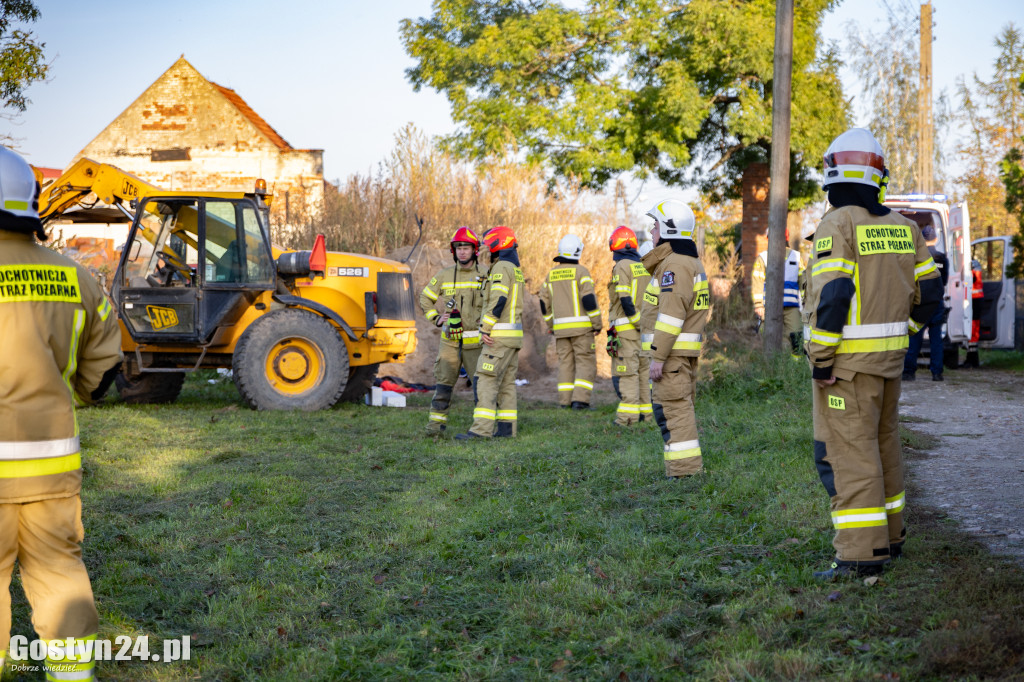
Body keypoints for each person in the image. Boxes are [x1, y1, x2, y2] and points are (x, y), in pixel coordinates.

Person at [0, 147, 122, 680]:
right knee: (59, 578)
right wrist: (77, 393)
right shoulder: (77, 278)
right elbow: (103, 369)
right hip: (52, 469)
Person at [805, 128, 943, 580]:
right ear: (877, 175)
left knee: (849, 455)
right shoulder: (905, 228)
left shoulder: (838, 223)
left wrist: (822, 360)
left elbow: (834, 295)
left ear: (833, 174)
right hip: (887, 366)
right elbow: (930, 297)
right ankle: (891, 537)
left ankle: (860, 557)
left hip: (846, 369)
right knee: (884, 449)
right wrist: (904, 334)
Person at [643, 199, 710, 477]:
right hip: (677, 355)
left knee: (673, 410)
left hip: (671, 357)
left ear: (669, 229)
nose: (651, 232)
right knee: (673, 410)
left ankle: (684, 473)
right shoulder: (683, 261)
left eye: (655, 225)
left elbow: (671, 315)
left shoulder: (675, 265)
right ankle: (683, 470)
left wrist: (658, 356)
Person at [456, 226, 524, 440]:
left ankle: (481, 431)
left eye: (489, 243)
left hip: (499, 337)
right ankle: (506, 430)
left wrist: (485, 327)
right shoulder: (514, 269)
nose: (487, 248)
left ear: (497, 244)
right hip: (513, 336)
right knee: (506, 383)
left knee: (484, 378)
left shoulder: (501, 267)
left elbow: (498, 300)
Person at [418, 227, 487, 434]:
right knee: (443, 385)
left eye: (466, 248)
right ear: (453, 251)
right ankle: (435, 428)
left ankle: (481, 429)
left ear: (475, 250)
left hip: (476, 343)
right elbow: (425, 298)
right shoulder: (444, 275)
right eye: (459, 248)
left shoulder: (486, 274)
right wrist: (437, 319)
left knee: (481, 388)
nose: (462, 252)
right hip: (449, 342)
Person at [539, 234, 602, 409]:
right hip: (582, 330)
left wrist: (551, 325)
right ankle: (580, 401)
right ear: (578, 252)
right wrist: (597, 323)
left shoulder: (551, 275)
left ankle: (565, 402)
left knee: (565, 364)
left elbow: (543, 303)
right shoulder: (581, 272)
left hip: (561, 331)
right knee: (585, 363)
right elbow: (589, 300)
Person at [606, 226, 653, 426]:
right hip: (644, 332)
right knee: (643, 374)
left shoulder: (621, 266)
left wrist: (634, 321)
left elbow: (624, 298)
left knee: (627, 374)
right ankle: (646, 416)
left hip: (627, 330)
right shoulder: (643, 266)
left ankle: (627, 419)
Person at [902, 223, 950, 381]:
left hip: (920, 301)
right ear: (936, 239)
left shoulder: (916, 257)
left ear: (921, 239)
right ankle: (937, 373)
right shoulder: (942, 258)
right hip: (937, 302)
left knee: (914, 337)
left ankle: (909, 372)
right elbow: (944, 281)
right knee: (936, 340)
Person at [751, 227, 805, 355]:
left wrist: (806, 301)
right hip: (770, 306)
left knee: (796, 335)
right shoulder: (763, 257)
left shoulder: (796, 257)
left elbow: (803, 281)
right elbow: (757, 281)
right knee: (768, 335)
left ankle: (794, 366)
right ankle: (771, 365)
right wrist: (759, 305)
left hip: (792, 306)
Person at [964, 258, 984, 368]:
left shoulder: (970, 265)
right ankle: (973, 359)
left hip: (974, 300)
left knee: (972, 329)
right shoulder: (976, 263)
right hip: (977, 299)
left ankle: (971, 360)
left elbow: (971, 280)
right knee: (974, 329)